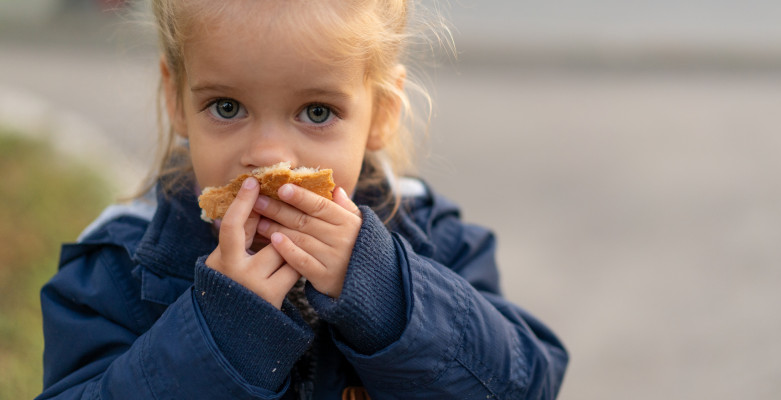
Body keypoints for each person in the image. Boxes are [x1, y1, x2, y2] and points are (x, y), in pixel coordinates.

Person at [37, 1, 568, 399]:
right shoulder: (121, 268)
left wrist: (389, 295)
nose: (269, 158)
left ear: (381, 112)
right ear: (176, 97)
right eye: (227, 106)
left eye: (316, 112)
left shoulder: (431, 237)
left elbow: (528, 384)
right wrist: (220, 333)